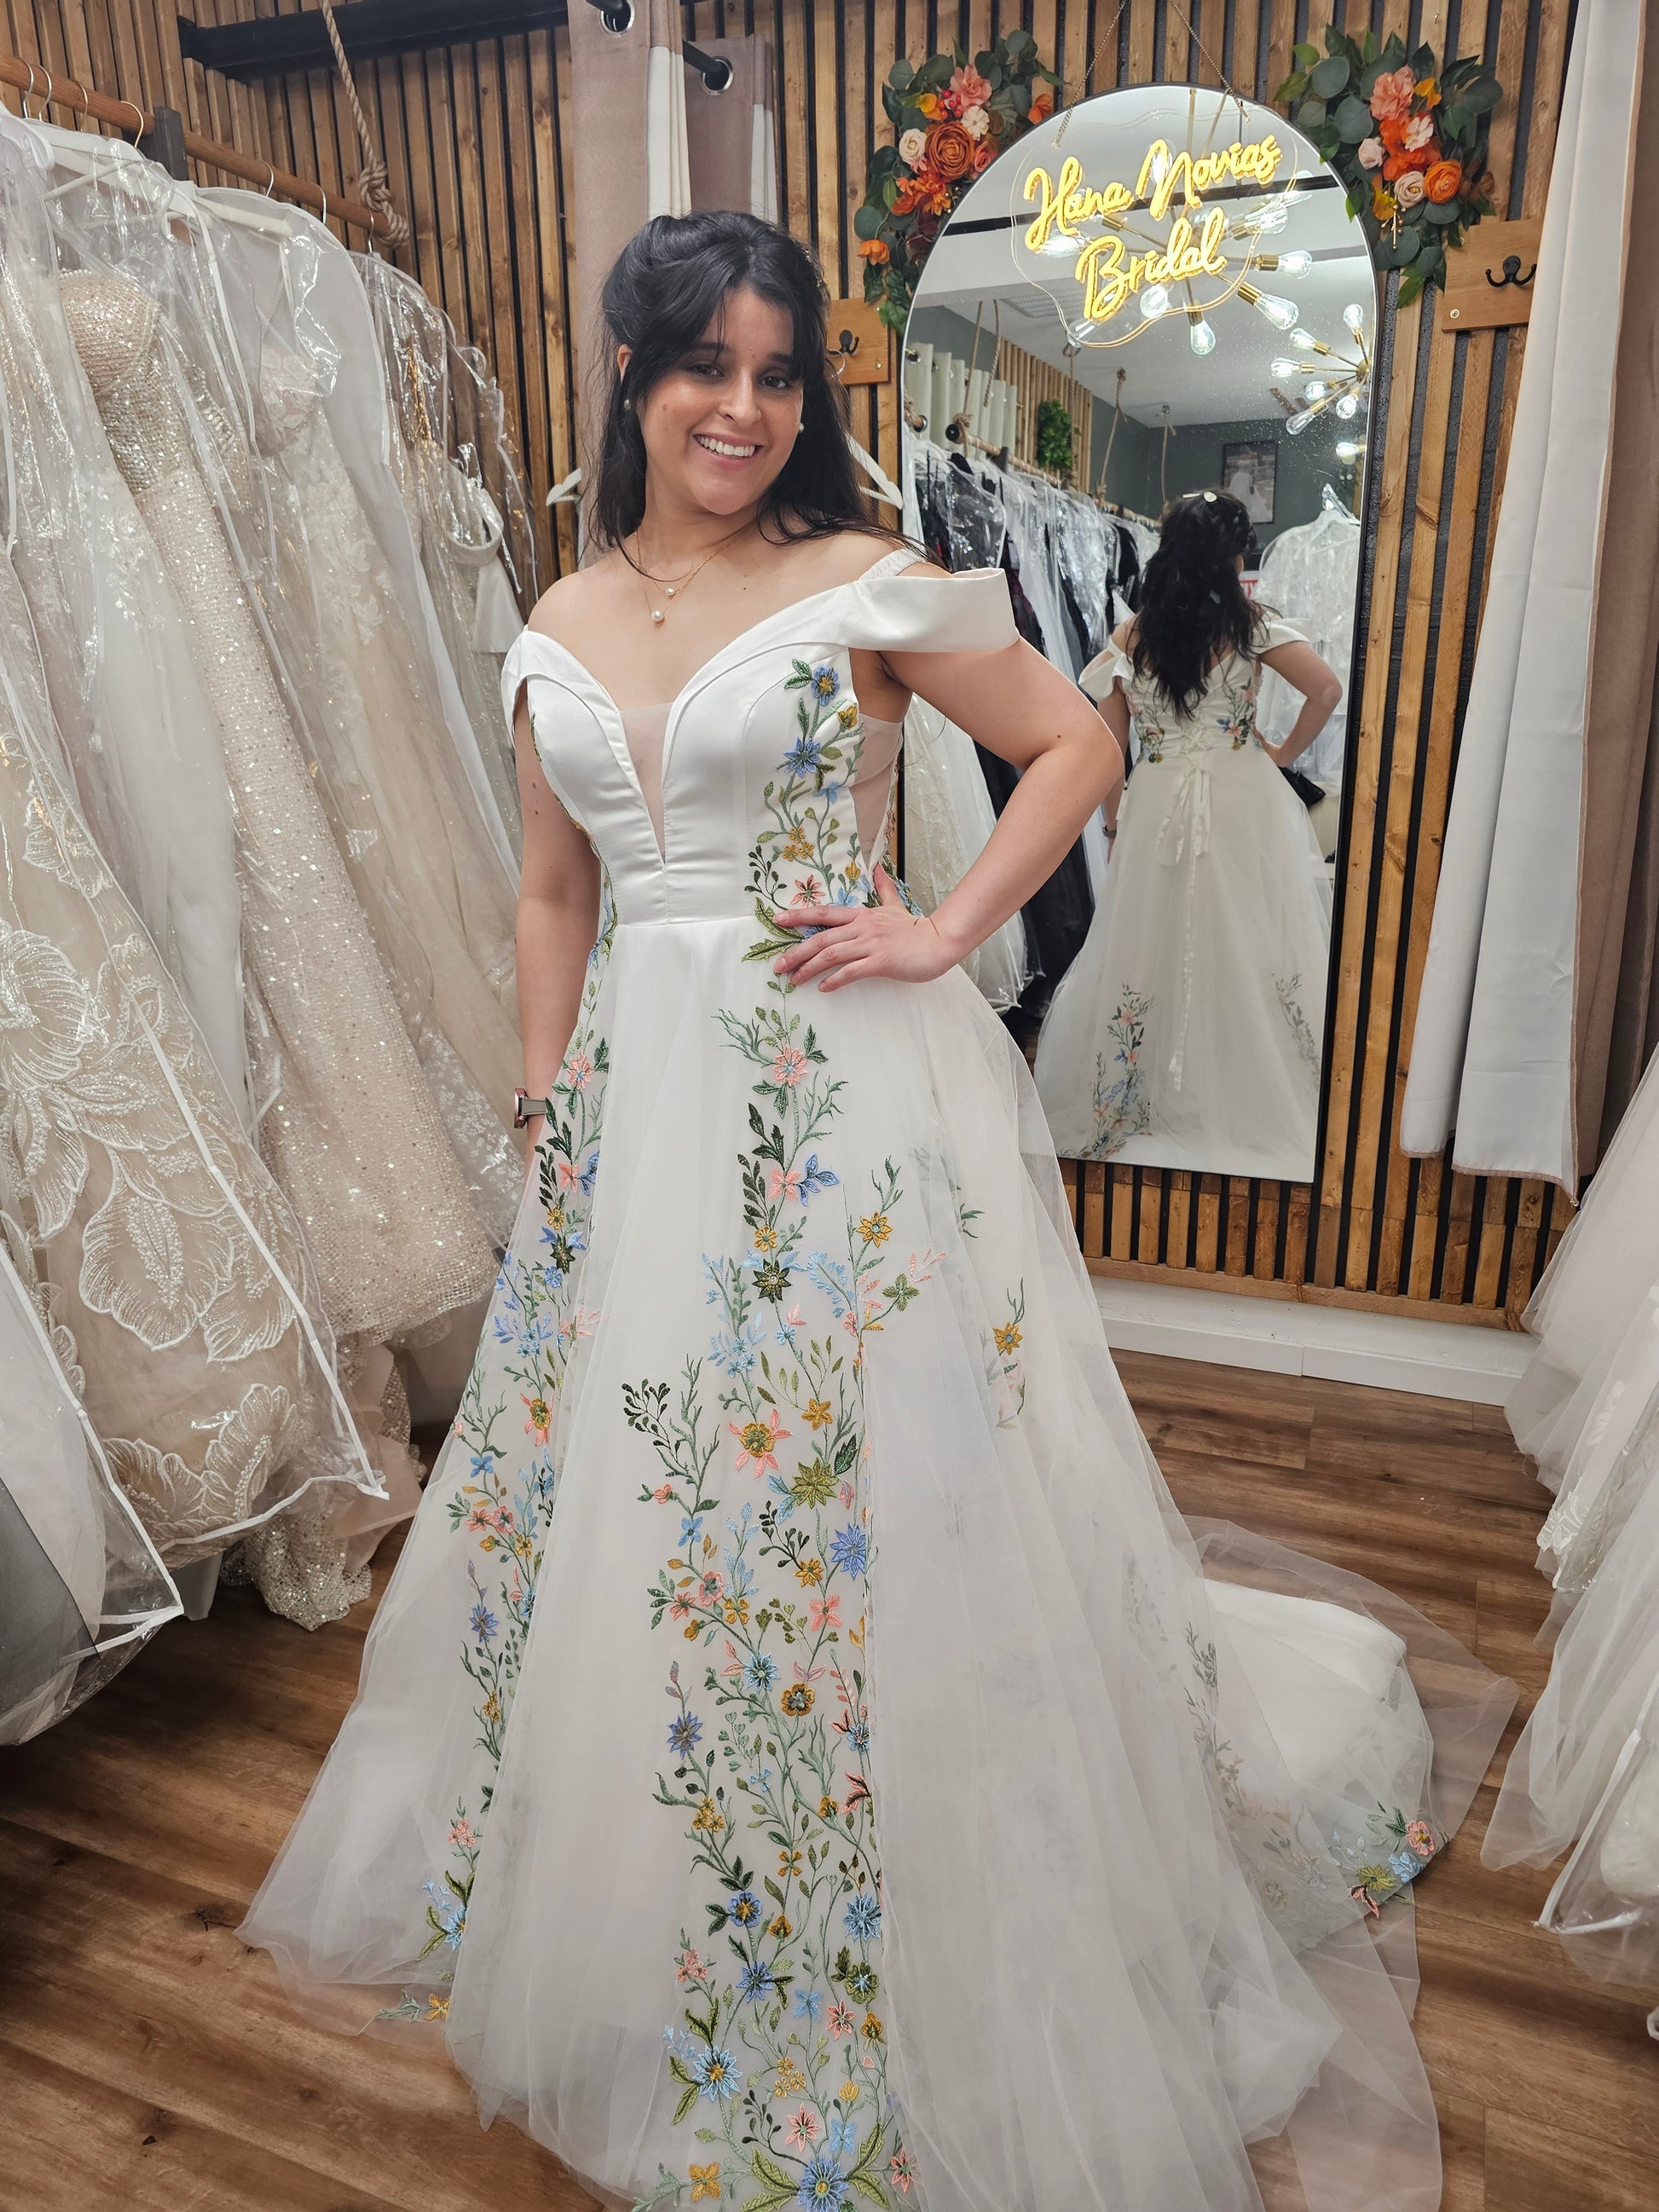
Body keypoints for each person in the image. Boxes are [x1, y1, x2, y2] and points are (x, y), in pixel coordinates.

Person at [242, 214, 1512, 2212]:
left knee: (866, 1481)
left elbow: (1072, 742)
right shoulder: (556, 611)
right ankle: (669, 1884)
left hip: (831, 1093)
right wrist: (548, 1088)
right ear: (634, 370)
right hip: (636, 1102)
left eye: (777, 373)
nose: (742, 408)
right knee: (644, 1489)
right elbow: (554, 886)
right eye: (705, 365)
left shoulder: (864, 577)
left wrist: (943, 924)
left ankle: (911, 1868)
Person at [1035, 489, 1344, 1181]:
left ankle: (1137, 1092)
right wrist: (1281, 754)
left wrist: (1113, 820)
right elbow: (1327, 690)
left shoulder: (1132, 636)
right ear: (1231, 556)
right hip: (1240, 794)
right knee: (1244, 934)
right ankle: (1240, 1081)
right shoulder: (1251, 625)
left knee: (1148, 934)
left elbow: (1106, 748)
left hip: (1157, 800)